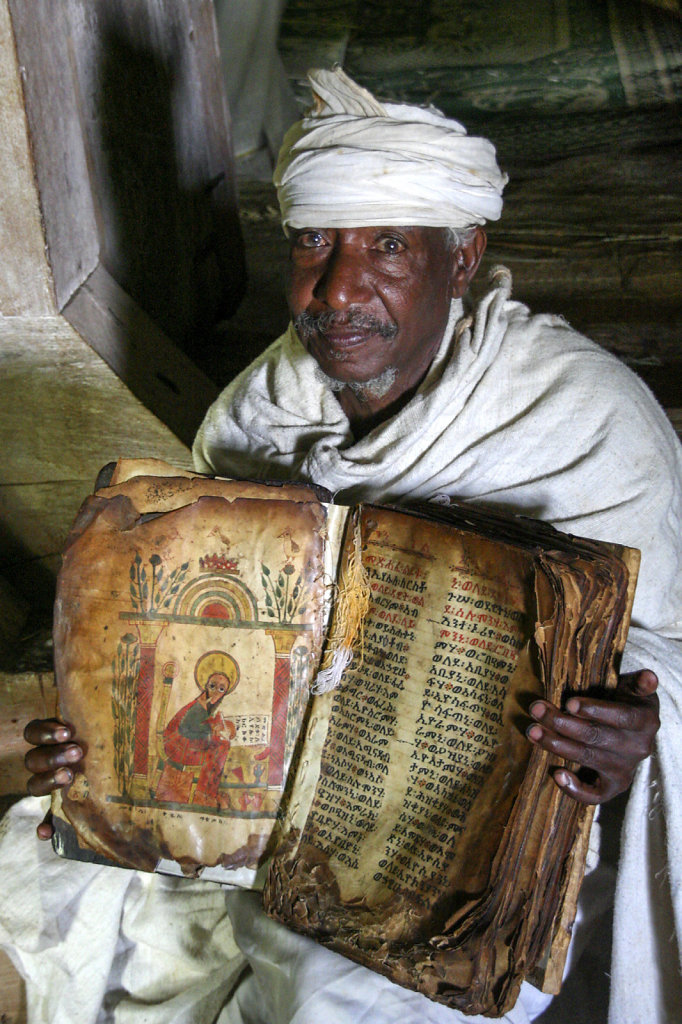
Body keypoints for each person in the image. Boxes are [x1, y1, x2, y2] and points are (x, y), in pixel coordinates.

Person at [6, 68, 680, 1024]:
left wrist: (632, 741)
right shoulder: (256, 418)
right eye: (314, 242)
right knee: (51, 861)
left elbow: (668, 659)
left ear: (463, 256)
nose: (337, 289)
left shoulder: (586, 426)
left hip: (463, 842)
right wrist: (108, 744)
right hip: (265, 812)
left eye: (390, 246)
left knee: (329, 998)